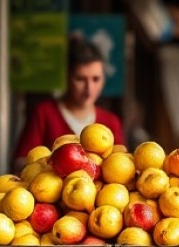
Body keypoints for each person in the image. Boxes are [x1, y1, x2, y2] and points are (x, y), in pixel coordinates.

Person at [12, 36, 125, 170]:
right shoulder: (44, 113)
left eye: (96, 79)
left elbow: (121, 167)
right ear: (67, 77)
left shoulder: (110, 122)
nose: (89, 88)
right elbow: (19, 162)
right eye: (80, 79)